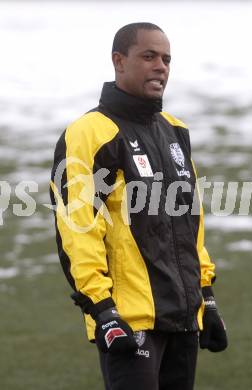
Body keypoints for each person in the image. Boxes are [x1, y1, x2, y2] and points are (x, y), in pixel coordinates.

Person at [50, 22, 227, 390]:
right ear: (118, 61)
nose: (160, 66)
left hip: (181, 319)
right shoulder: (89, 133)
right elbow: (78, 229)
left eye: (166, 59)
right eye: (149, 56)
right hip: (128, 321)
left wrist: (205, 298)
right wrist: (102, 310)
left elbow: (189, 226)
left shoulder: (175, 131)